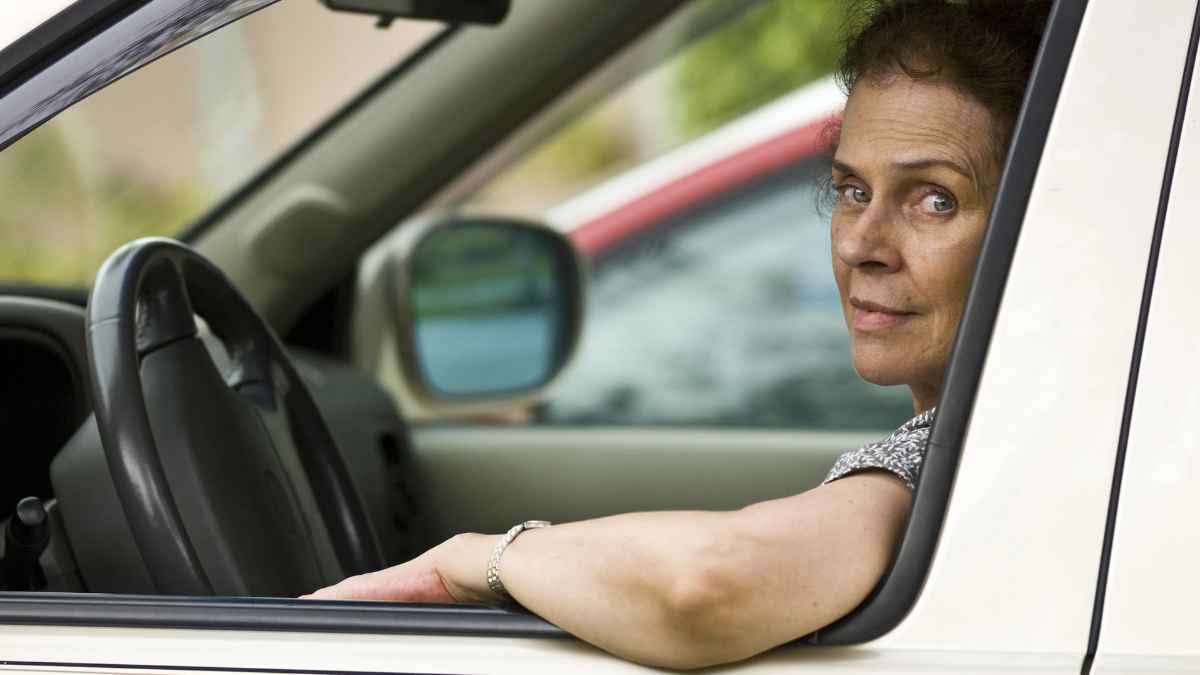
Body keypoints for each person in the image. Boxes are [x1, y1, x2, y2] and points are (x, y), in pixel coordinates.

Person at [304, 1, 1050, 669]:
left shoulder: (959, 459)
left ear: (1039, 220)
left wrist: (476, 559)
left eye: (933, 199)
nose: (862, 243)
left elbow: (705, 586)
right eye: (853, 190)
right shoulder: (1013, 434)